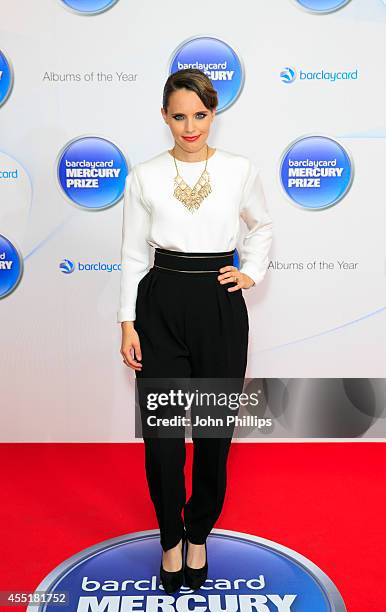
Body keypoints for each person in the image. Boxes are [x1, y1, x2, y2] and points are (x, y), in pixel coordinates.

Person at [117, 68, 273, 593]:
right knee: (161, 440)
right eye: (179, 116)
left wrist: (250, 269)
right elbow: (134, 253)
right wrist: (127, 322)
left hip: (220, 307)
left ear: (213, 115)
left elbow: (263, 224)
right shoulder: (143, 174)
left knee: (212, 435)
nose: (190, 126)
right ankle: (169, 538)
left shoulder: (239, 170)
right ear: (164, 116)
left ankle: (199, 532)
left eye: (200, 115)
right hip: (160, 305)